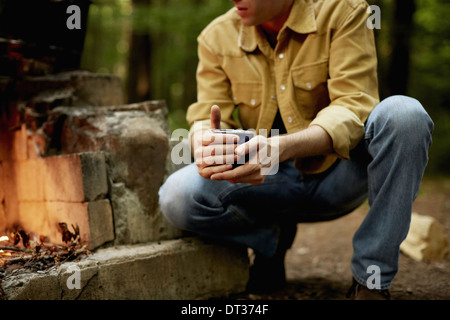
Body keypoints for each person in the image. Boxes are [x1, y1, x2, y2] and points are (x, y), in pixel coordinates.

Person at [159, 0, 434, 299]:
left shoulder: (346, 11)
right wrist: (204, 137)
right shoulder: (215, 36)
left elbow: (354, 103)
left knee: (406, 116)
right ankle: (271, 242)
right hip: (264, 181)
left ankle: (371, 281)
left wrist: (281, 148)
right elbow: (208, 115)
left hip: (340, 174)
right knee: (177, 197)